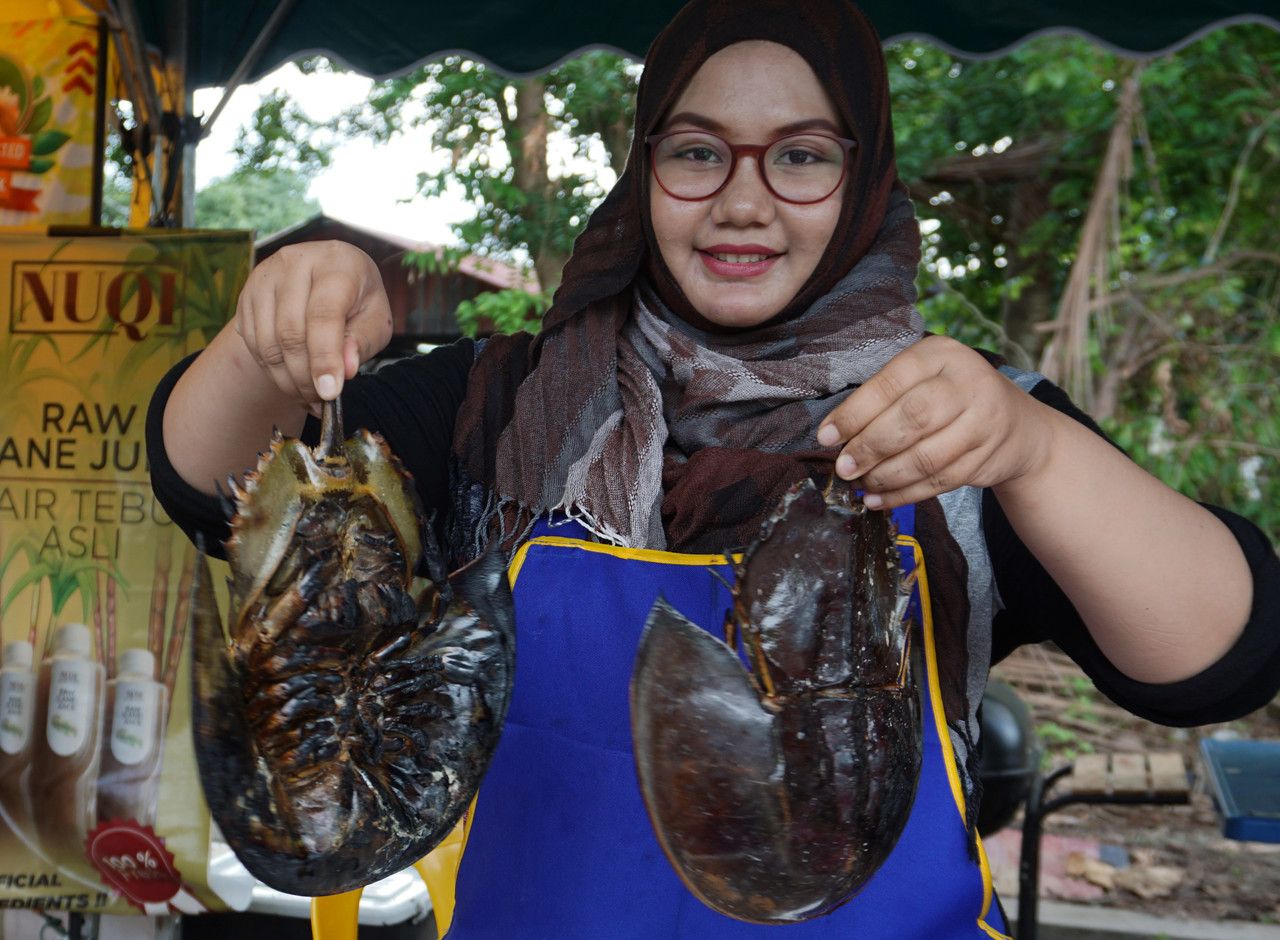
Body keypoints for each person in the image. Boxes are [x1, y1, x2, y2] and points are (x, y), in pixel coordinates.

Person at [147, 0, 1280, 936]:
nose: (742, 199)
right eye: (695, 152)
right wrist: (264, 347)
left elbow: (1216, 661)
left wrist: (1034, 450)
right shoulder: (493, 403)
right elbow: (208, 485)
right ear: (642, 174)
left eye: (798, 155)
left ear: (862, 176)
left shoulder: (956, 422)